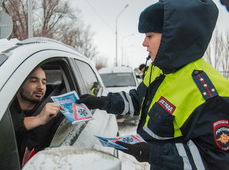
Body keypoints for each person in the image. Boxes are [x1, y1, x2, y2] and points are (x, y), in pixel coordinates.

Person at [77, 0, 229, 169]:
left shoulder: (208, 91)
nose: (144, 43)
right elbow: (137, 100)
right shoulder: (158, 70)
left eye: (149, 36)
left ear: (173, 37)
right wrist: (102, 102)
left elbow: (214, 159)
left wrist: (153, 153)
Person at [10, 67, 64, 166]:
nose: (41, 87)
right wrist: (39, 119)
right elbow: (7, 127)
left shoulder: (53, 113)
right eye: (34, 81)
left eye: (44, 83)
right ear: (19, 83)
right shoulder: (4, 106)